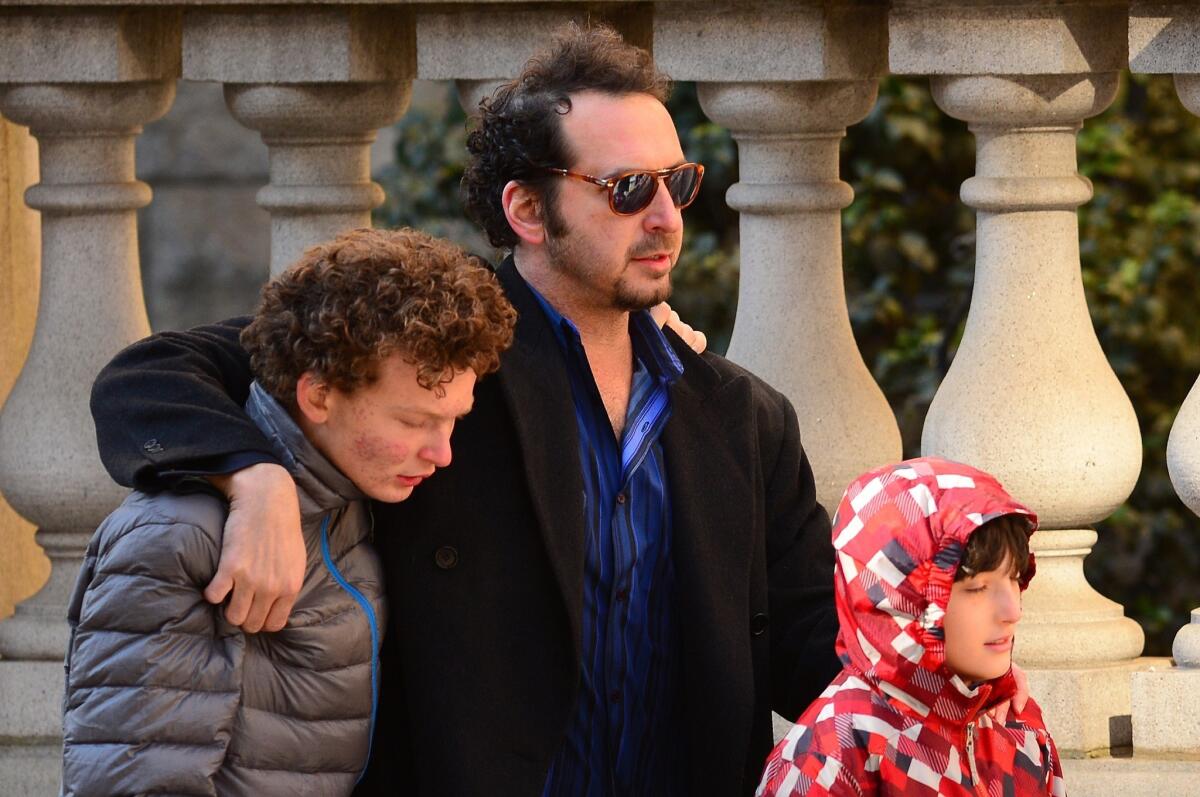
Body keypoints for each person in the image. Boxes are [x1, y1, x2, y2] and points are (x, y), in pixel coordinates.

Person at [88, 23, 842, 796]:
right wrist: (251, 476)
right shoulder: (434, 364)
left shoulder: (742, 415)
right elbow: (148, 375)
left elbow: (815, 644)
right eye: (627, 190)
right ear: (526, 208)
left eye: (675, 183)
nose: (666, 219)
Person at [63, 228, 516, 796]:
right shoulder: (180, 539)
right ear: (318, 396)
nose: (443, 453)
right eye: (413, 421)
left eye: (453, 420)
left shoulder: (354, 502)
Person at [757, 457, 1065, 797]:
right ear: (901, 599)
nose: (1012, 611)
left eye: (1015, 578)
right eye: (977, 588)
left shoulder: (1018, 726)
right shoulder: (830, 756)